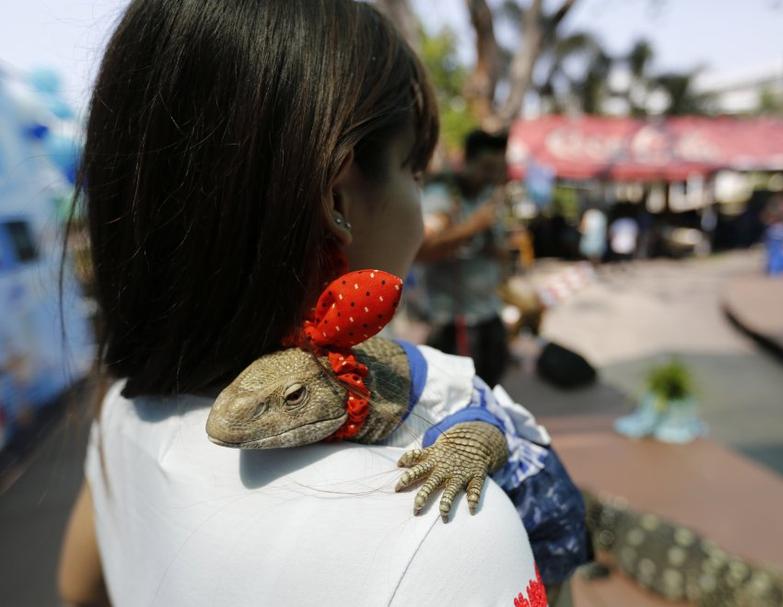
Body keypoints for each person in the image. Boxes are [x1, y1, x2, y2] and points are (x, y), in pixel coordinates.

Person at [56, 2, 551, 605]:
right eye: (413, 173)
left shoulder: (119, 410)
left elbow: (75, 588)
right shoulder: (440, 535)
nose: (422, 216)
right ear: (339, 195)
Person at [415, 130, 511, 387]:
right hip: (453, 321)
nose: (492, 176)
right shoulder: (442, 196)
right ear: (467, 161)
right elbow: (421, 250)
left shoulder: (488, 195)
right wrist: (473, 227)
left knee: (489, 387)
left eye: (498, 169)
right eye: (486, 168)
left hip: (488, 312)